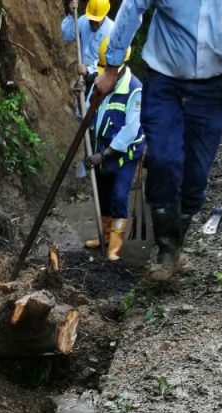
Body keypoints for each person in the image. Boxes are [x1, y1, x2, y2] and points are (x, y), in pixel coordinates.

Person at [94, 0, 222, 280]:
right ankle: (166, 252)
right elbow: (133, 6)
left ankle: (175, 247)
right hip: (164, 80)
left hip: (216, 85)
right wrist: (112, 67)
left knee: (195, 175)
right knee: (163, 160)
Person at [82, 37, 145, 261]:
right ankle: (105, 236)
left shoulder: (135, 89)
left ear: (119, 67)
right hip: (102, 149)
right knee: (104, 193)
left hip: (123, 153)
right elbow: (86, 112)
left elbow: (131, 130)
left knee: (118, 195)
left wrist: (104, 154)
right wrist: (79, 95)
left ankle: (115, 248)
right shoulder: (102, 83)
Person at [61, 0, 114, 75]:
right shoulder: (84, 20)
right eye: (91, 20)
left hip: (100, 77)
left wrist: (89, 69)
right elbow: (67, 35)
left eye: (96, 21)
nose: (93, 23)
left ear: (104, 15)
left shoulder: (112, 31)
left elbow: (109, 59)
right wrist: (71, 14)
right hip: (83, 75)